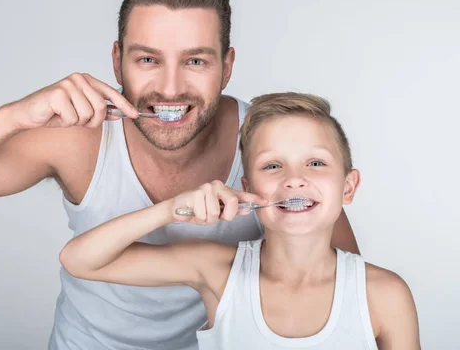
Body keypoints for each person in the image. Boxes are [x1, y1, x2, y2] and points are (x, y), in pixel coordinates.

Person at [0, 0, 360, 349]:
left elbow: (342, 279)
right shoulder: (76, 139)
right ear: (116, 60)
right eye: (148, 59)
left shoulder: (270, 145)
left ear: (227, 66)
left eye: (195, 60)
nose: (170, 87)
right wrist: (13, 116)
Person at [59, 92, 421, 350]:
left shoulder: (384, 295)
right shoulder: (218, 271)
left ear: (348, 187)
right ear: (248, 187)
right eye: (273, 166)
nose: (294, 179)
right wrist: (170, 209)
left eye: (315, 163)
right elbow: (79, 259)